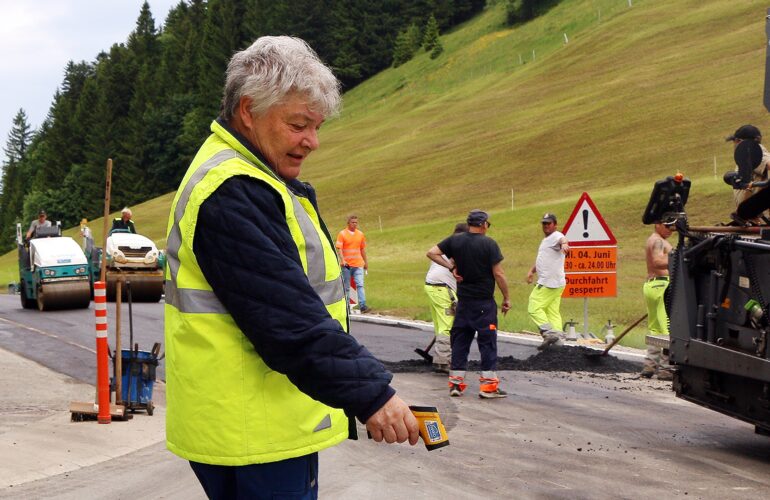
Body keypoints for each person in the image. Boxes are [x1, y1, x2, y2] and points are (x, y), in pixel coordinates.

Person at [163, 36, 418, 499]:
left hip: (244, 423)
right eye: (299, 124)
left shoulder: (248, 177)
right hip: (257, 431)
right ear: (248, 111)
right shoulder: (233, 190)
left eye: (316, 127)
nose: (312, 142)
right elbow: (290, 320)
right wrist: (373, 395)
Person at [427, 209, 511, 399]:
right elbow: (499, 274)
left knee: (460, 343)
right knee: (487, 343)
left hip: (463, 302)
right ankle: (488, 387)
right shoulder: (489, 244)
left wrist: (452, 267)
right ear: (483, 224)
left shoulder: (455, 240)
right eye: (487, 224)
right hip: (484, 303)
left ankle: (456, 384)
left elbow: (431, 253)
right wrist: (506, 297)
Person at [424, 222, 468, 374]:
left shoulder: (444, 245)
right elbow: (457, 265)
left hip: (431, 286)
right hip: (443, 288)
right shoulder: (458, 247)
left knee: (440, 324)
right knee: (448, 325)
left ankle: (440, 355)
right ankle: (443, 362)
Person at [526, 213, 569, 351]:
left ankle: (549, 333)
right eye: (544, 223)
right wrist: (532, 271)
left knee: (533, 306)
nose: (545, 226)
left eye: (548, 223)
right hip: (557, 282)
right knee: (552, 311)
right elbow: (544, 259)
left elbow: (562, 239)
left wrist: (565, 244)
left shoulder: (556, 236)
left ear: (555, 224)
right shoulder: (547, 240)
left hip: (549, 283)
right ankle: (559, 344)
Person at [641, 222, 674, 380]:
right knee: (667, 327)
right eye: (667, 226)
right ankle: (665, 368)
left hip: (651, 285)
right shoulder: (659, 241)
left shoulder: (652, 239)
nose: (671, 230)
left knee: (655, 328)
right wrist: (679, 258)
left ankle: (649, 365)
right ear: (658, 224)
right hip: (662, 284)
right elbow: (657, 261)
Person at [727, 125, 770, 223]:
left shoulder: (750, 151)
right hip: (753, 215)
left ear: (739, 141)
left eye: (734, 142)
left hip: (750, 213)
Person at [335, 215, 369, 312]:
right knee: (347, 287)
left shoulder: (360, 234)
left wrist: (365, 262)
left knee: (360, 284)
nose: (355, 224)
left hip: (358, 264)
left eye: (356, 222)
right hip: (347, 266)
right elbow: (339, 248)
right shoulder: (342, 234)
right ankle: (347, 307)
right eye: (353, 222)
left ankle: (363, 305)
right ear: (348, 223)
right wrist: (343, 260)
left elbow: (362, 249)